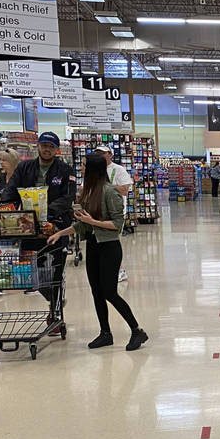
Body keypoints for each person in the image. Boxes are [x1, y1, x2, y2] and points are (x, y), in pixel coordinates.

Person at [47, 154, 148, 351]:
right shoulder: (87, 192)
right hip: (93, 245)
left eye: (84, 166)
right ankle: (105, 333)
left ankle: (137, 330)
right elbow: (82, 226)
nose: (81, 169)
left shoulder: (111, 192)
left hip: (109, 247)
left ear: (94, 170)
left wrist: (93, 222)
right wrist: (61, 233)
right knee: (96, 291)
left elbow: (117, 225)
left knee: (109, 291)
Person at [0, 132, 77, 323]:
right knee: (34, 269)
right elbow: (11, 192)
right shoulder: (24, 168)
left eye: (51, 146)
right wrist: (7, 209)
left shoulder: (66, 170)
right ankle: (52, 298)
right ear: (38, 147)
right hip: (28, 227)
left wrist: (47, 211)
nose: (47, 149)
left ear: (57, 150)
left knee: (56, 269)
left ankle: (55, 311)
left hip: (56, 226)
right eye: (44, 145)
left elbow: (69, 197)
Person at [94, 146, 133, 282]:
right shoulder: (94, 170)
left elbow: (125, 190)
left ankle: (120, 270)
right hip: (97, 214)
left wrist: (105, 186)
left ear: (110, 154)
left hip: (115, 213)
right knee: (102, 244)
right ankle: (108, 271)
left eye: (102, 153)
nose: (99, 156)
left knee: (113, 243)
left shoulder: (119, 170)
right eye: (97, 153)